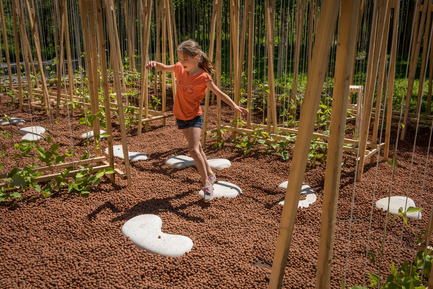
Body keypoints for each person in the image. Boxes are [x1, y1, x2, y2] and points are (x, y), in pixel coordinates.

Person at [146, 39, 248, 202]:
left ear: (196, 57)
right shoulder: (179, 68)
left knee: (193, 150)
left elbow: (219, 93)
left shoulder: (203, 77)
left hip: (194, 117)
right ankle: (210, 173)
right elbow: (165, 67)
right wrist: (153, 63)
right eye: (180, 58)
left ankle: (206, 184)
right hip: (180, 115)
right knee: (198, 147)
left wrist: (235, 106)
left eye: (185, 58)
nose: (181, 62)